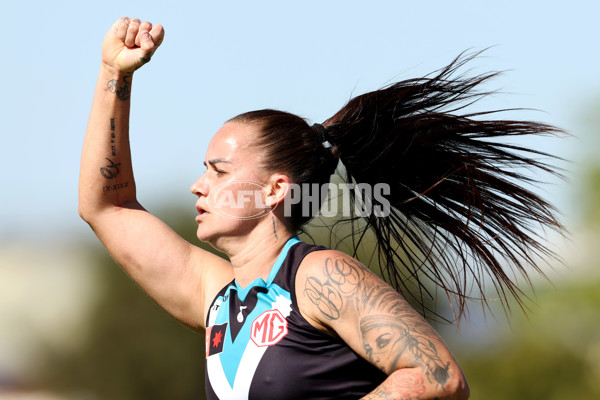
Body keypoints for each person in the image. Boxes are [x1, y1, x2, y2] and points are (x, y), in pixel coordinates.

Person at [79, 17, 563, 400]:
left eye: (219, 171)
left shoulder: (317, 276)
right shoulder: (219, 298)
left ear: (274, 191)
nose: (198, 186)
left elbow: (438, 378)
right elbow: (108, 207)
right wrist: (114, 74)